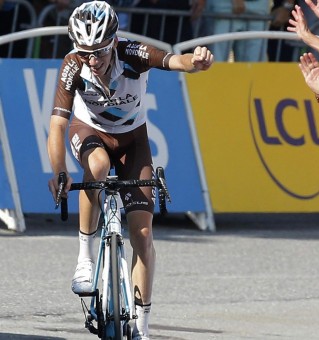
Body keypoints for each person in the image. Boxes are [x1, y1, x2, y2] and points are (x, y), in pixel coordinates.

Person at [45, 2, 213, 339]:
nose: (92, 60)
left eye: (99, 52)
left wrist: (194, 64)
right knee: (97, 165)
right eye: (85, 52)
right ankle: (84, 258)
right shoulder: (72, 65)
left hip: (134, 141)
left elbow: (171, 60)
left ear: (113, 42)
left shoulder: (132, 52)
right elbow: (56, 126)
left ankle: (142, 326)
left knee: (144, 235)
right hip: (89, 132)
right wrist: (59, 171)